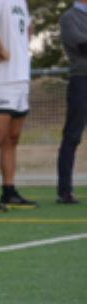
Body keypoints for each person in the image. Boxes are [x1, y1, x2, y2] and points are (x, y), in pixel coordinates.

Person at [0, 0, 38, 212]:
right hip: (2, 79)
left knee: (12, 139)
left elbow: (26, 30)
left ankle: (9, 191)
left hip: (21, 78)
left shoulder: (21, 2)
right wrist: (0, 49)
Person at [56, 0, 87, 204]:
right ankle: (65, 190)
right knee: (73, 136)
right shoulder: (69, 18)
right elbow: (83, 46)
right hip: (82, 81)